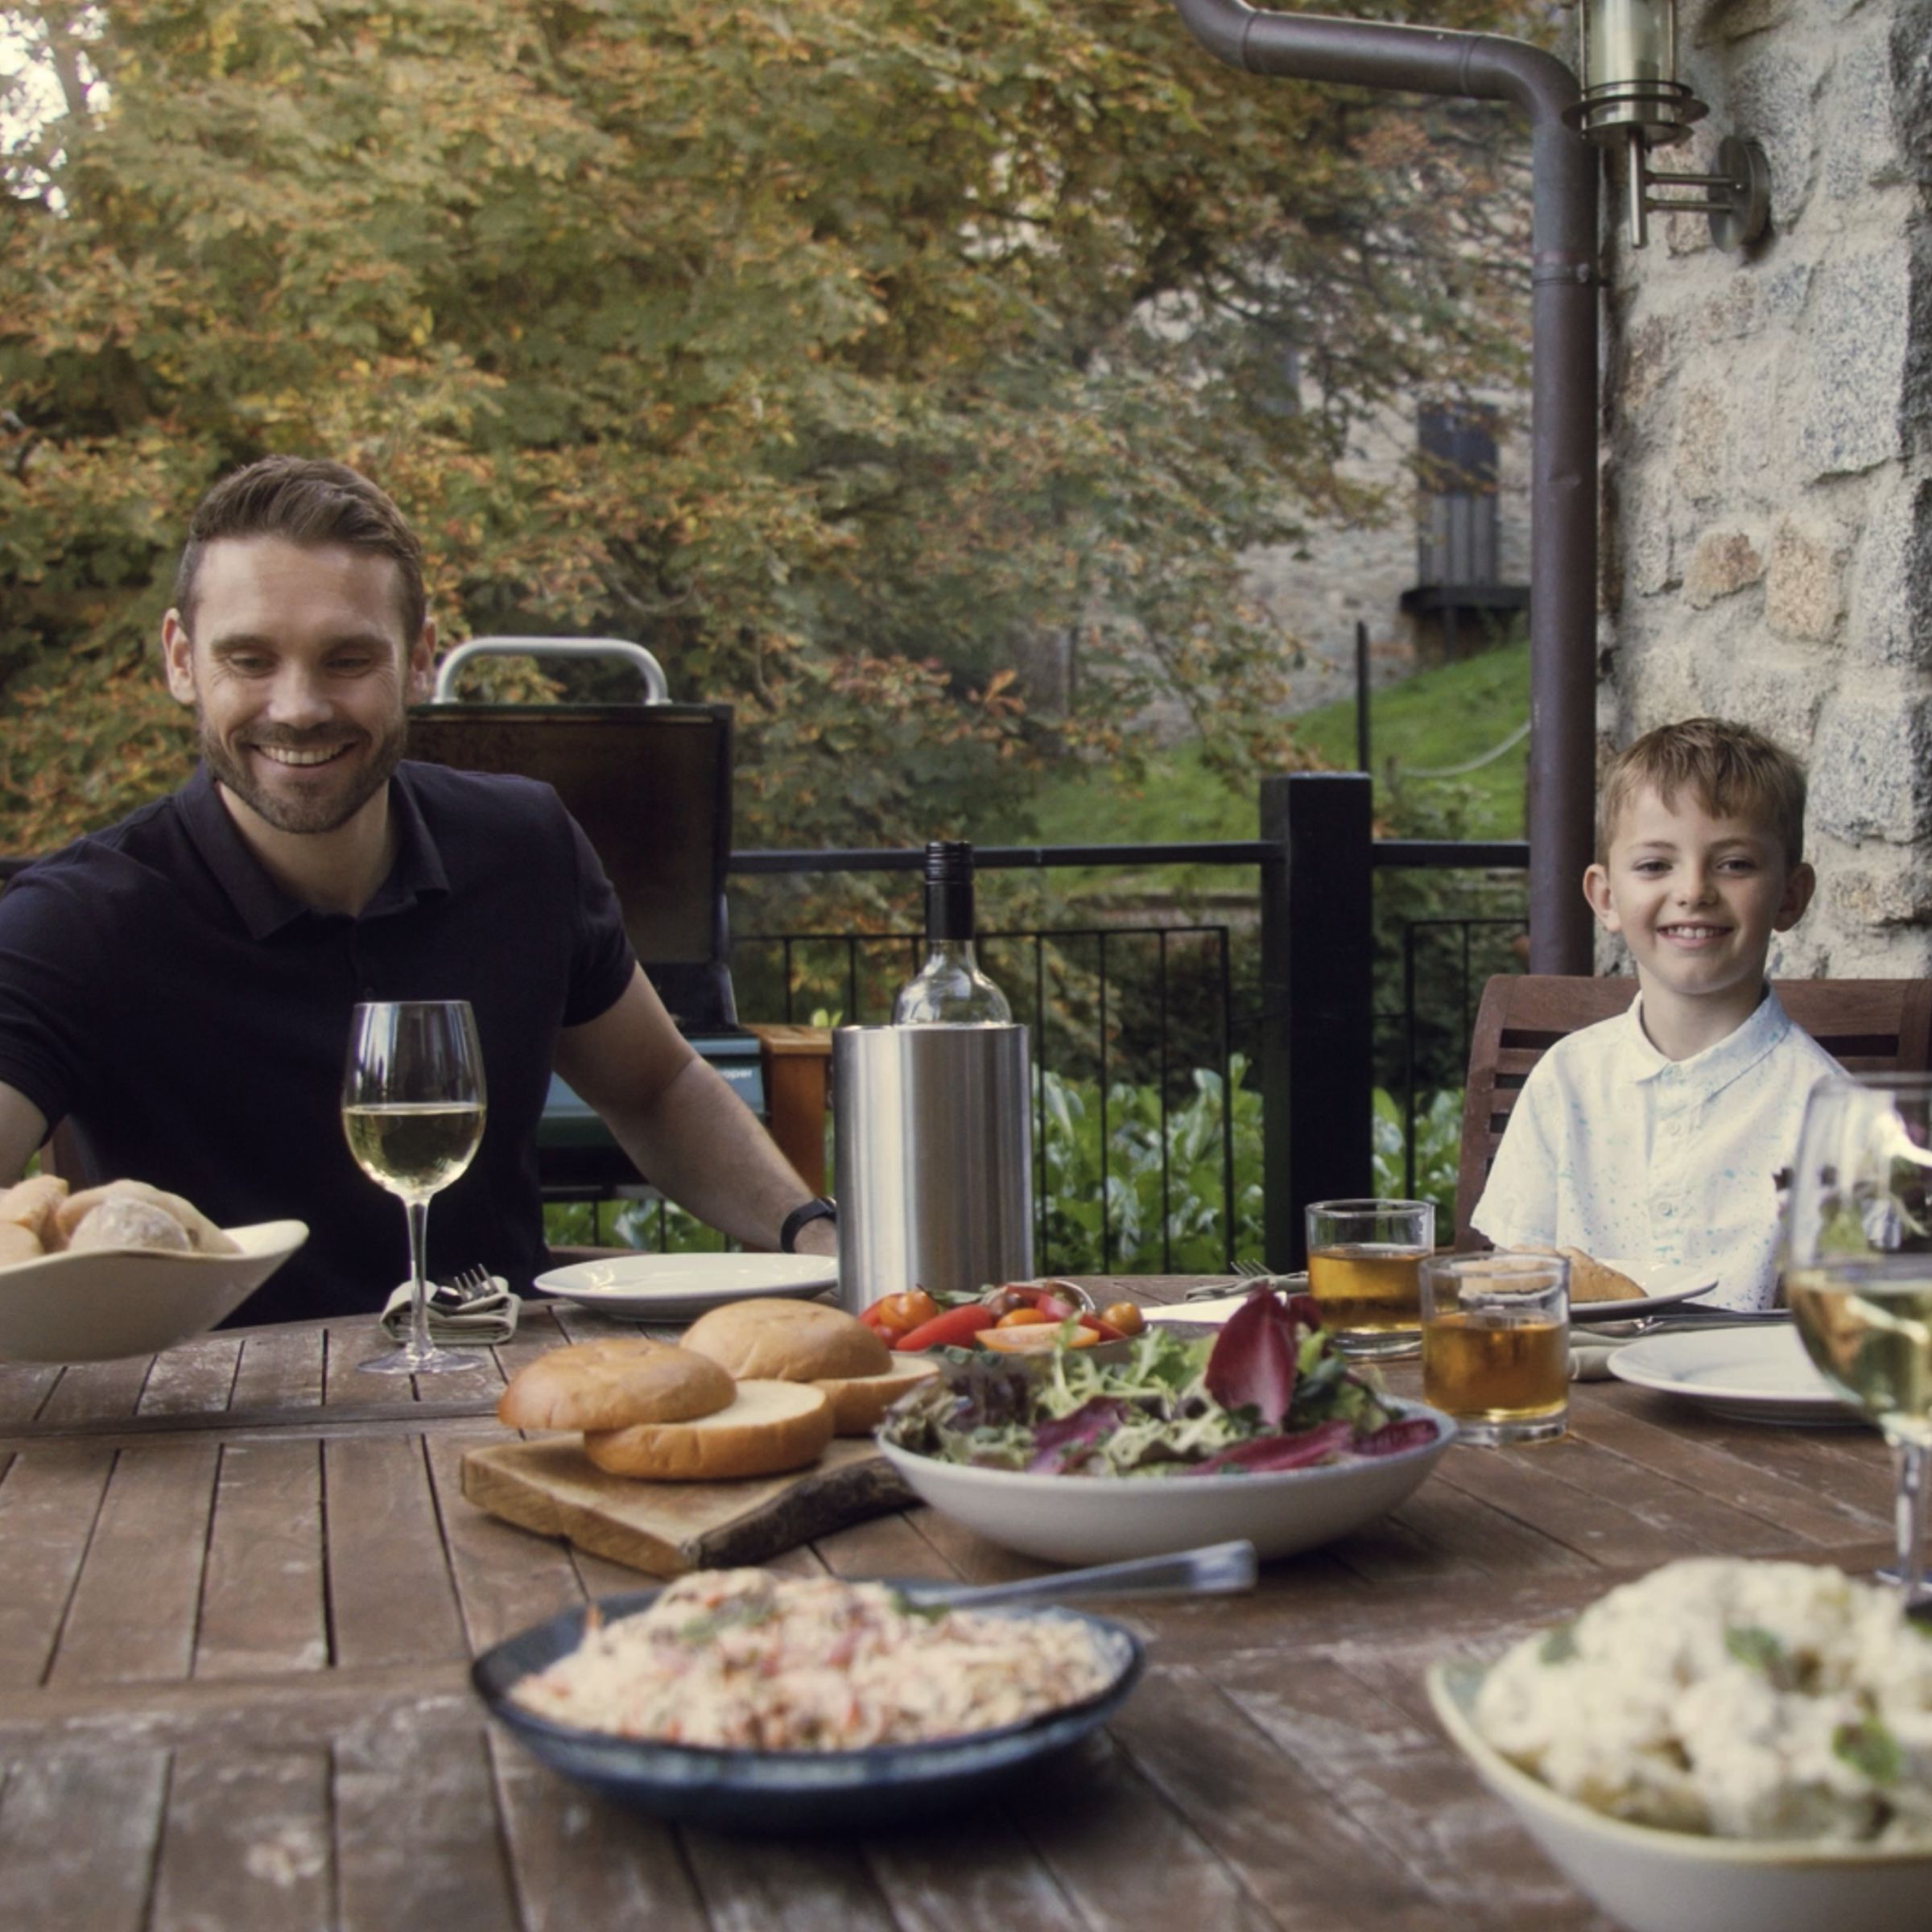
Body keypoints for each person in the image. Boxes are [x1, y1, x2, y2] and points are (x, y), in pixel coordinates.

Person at [0, 456, 835, 1325]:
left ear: (419, 661)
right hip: (201, 1433)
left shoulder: (524, 846)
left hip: (506, 1397)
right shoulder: (78, 918)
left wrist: (812, 1234)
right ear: (180, 660)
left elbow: (656, 1088)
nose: (298, 706)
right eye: (249, 659)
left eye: (348, 658)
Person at [1472, 716, 1839, 1311]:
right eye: (1654, 866)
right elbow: (1514, 1286)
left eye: (1735, 864)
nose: (1693, 890)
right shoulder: (1565, 1080)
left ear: (1790, 896)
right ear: (1607, 898)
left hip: (1740, 1398)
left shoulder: (1829, 1112)